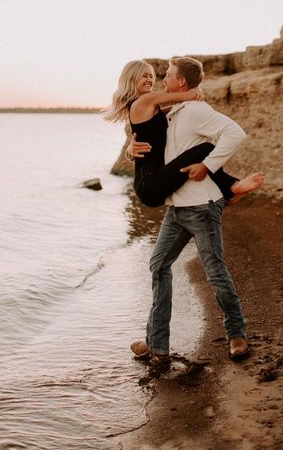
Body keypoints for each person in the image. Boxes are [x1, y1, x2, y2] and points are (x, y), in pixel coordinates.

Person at [108, 57, 264, 362]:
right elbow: (155, 147)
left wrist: (207, 165)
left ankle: (237, 334)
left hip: (201, 207)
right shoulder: (170, 112)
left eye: (166, 76)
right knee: (159, 266)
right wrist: (131, 151)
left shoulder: (194, 110)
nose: (161, 80)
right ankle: (156, 343)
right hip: (176, 207)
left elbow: (235, 133)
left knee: (215, 271)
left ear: (180, 82)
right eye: (154, 76)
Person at [104, 59, 263, 208]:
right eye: (144, 76)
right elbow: (182, 97)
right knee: (206, 148)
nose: (150, 79)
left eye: (151, 76)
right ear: (131, 78)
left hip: (150, 182)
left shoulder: (149, 107)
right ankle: (231, 188)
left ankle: (229, 191)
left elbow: (173, 110)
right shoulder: (147, 100)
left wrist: (129, 151)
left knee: (203, 150)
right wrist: (195, 93)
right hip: (150, 182)